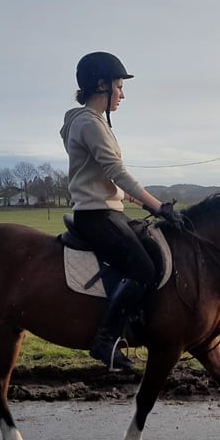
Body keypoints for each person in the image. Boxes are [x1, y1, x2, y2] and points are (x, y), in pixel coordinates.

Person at [60, 51, 183, 371]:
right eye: (119, 86)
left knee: (152, 251)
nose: (122, 94)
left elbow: (106, 180)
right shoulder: (89, 123)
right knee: (141, 268)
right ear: (101, 85)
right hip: (95, 215)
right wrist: (159, 206)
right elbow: (117, 172)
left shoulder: (92, 122)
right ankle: (105, 339)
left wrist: (144, 205)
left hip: (108, 210)